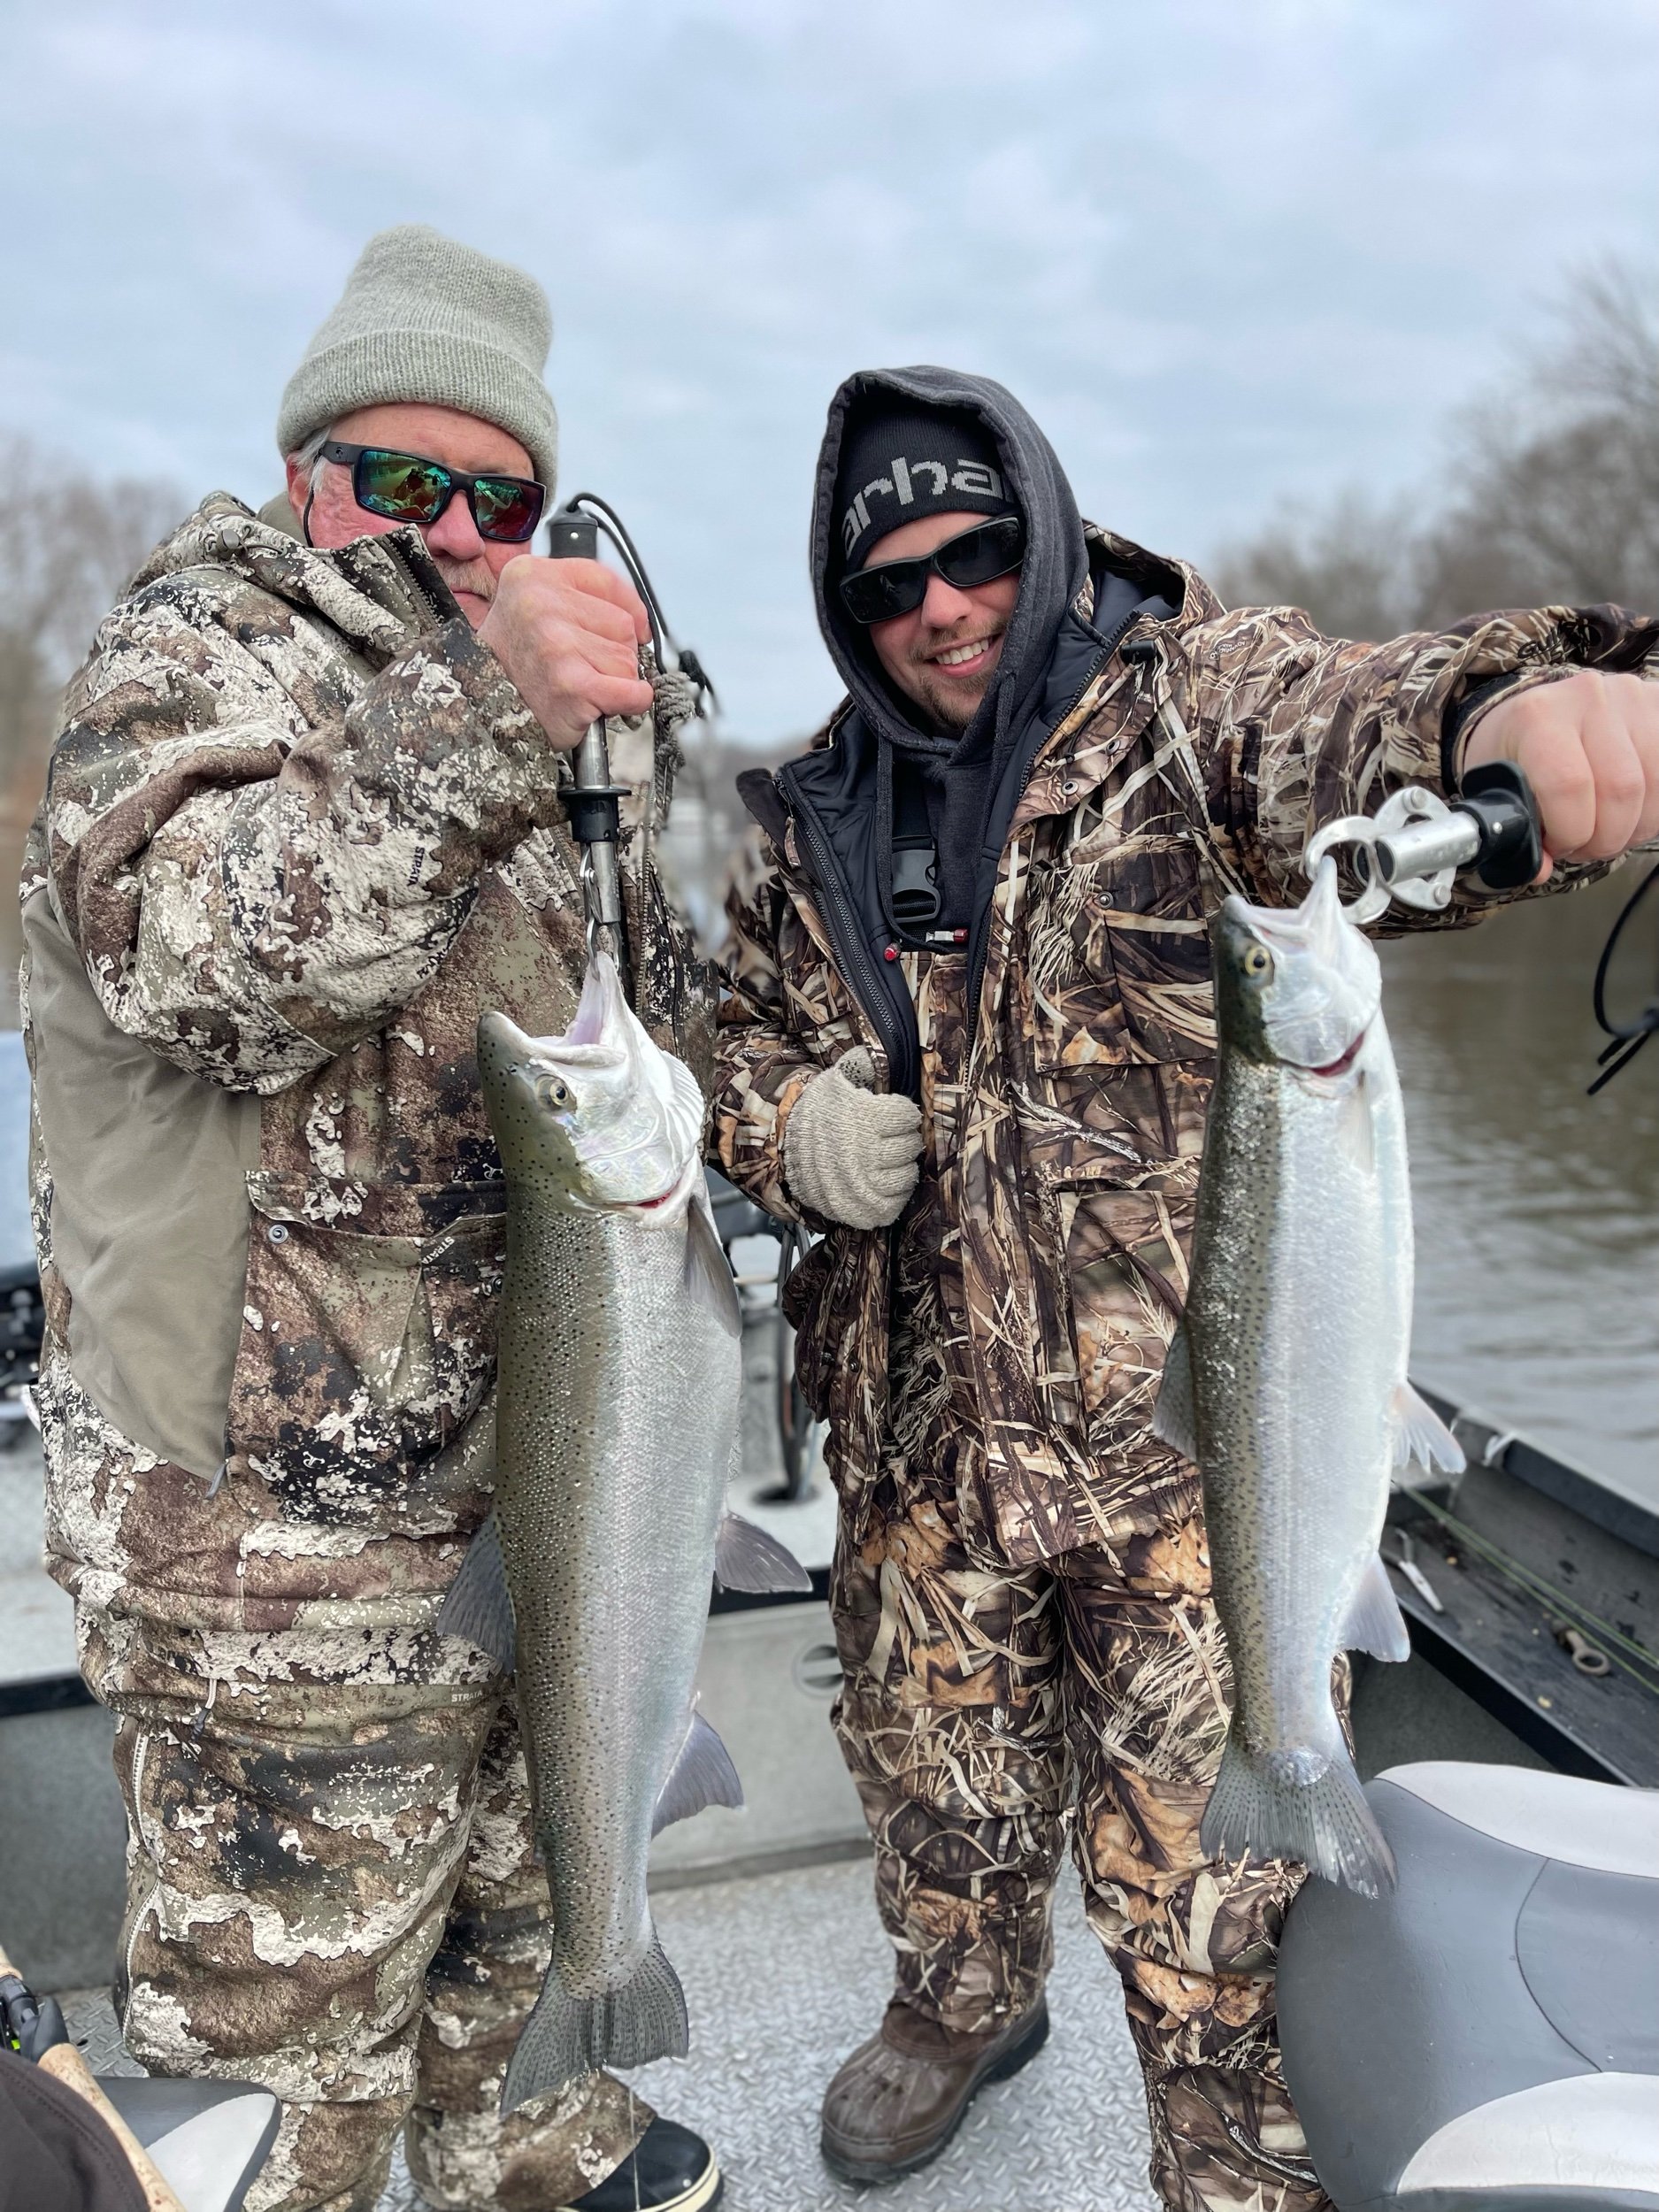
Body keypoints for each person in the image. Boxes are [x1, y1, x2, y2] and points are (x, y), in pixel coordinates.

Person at [711, 365, 1659, 2211]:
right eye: (889, 583)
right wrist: (786, 1125)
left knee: (1214, 1914)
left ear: (1037, 534)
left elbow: (1369, 716)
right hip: (912, 1450)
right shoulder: (812, 817)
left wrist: (1531, 702)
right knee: (940, 1800)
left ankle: (1230, 2163)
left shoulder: (1194, 710)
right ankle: (961, 2006)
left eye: (972, 551)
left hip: (1193, 1468)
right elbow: (723, 1042)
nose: (942, 606)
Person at [23, 225, 722, 2212]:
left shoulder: (557, 704)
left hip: (533, 1476)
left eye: (492, 494)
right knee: (288, 2066)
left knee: (525, 1886)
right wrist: (487, 717)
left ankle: (527, 2138)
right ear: (308, 470)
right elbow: (195, 958)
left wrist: (781, 1105)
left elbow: (631, 1020)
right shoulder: (187, 658)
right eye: (396, 480)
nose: (449, 530)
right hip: (273, 1551)